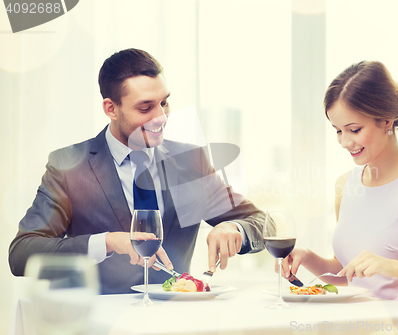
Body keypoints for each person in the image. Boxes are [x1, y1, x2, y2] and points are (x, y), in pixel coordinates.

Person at [9, 48, 265, 294]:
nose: (162, 117)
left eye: (164, 103)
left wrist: (234, 228)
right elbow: (22, 253)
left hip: (174, 320)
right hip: (97, 322)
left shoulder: (189, 162)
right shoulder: (68, 165)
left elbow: (262, 222)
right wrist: (108, 241)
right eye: (145, 108)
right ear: (111, 109)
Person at [282, 61, 398, 304]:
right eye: (338, 130)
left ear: (386, 121)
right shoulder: (345, 185)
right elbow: (349, 276)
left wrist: (396, 268)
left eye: (354, 129)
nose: (344, 142)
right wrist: (308, 257)